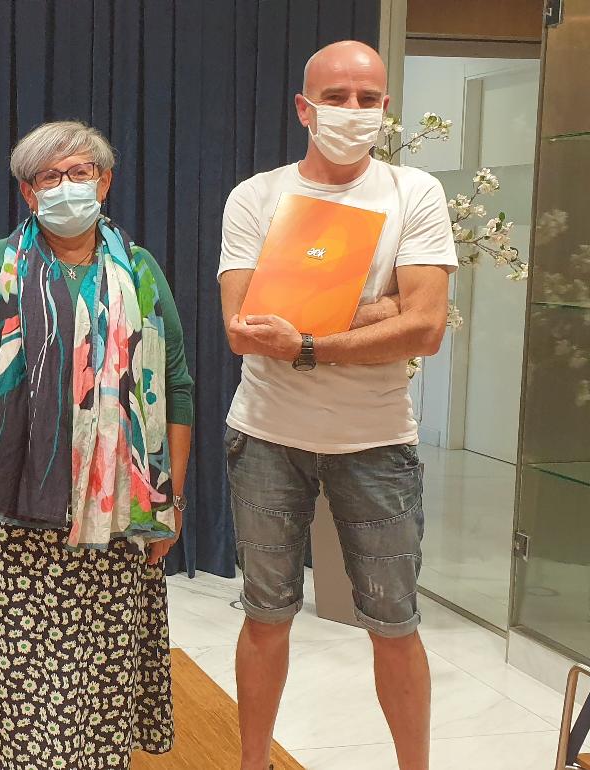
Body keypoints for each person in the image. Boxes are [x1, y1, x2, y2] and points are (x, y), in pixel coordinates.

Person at [218, 41, 457, 770]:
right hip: (266, 435)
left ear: (386, 107)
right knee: (265, 616)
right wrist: (377, 308)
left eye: (368, 98)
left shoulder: (414, 192)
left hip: (377, 441)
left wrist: (309, 339)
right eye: (336, 97)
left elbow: (426, 328)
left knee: (395, 624)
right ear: (304, 108)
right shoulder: (256, 197)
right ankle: (253, 764)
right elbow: (243, 330)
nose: (354, 111)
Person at [0, 120, 195, 769]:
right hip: (16, 522)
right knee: (23, 703)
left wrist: (170, 499)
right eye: (49, 177)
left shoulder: (140, 271)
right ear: (28, 193)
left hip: (119, 520)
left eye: (80, 173)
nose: (66, 186)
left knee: (100, 696)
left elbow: (177, 386)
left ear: (105, 183)